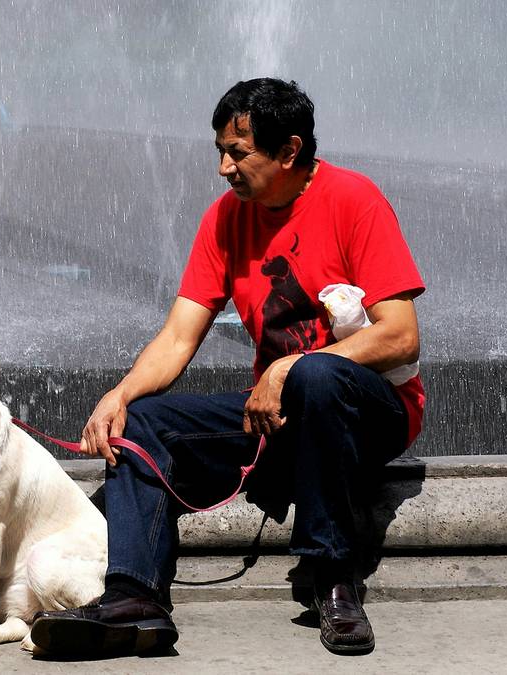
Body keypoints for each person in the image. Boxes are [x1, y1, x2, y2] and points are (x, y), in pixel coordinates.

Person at [29, 77, 425, 658]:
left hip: (368, 413)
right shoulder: (225, 218)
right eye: (220, 151)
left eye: (237, 153)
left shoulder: (354, 199)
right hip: (278, 415)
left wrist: (289, 368)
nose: (223, 168)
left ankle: (334, 580)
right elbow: (177, 335)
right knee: (143, 423)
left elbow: (401, 336)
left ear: (289, 151)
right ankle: (134, 595)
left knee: (314, 377)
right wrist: (120, 394)